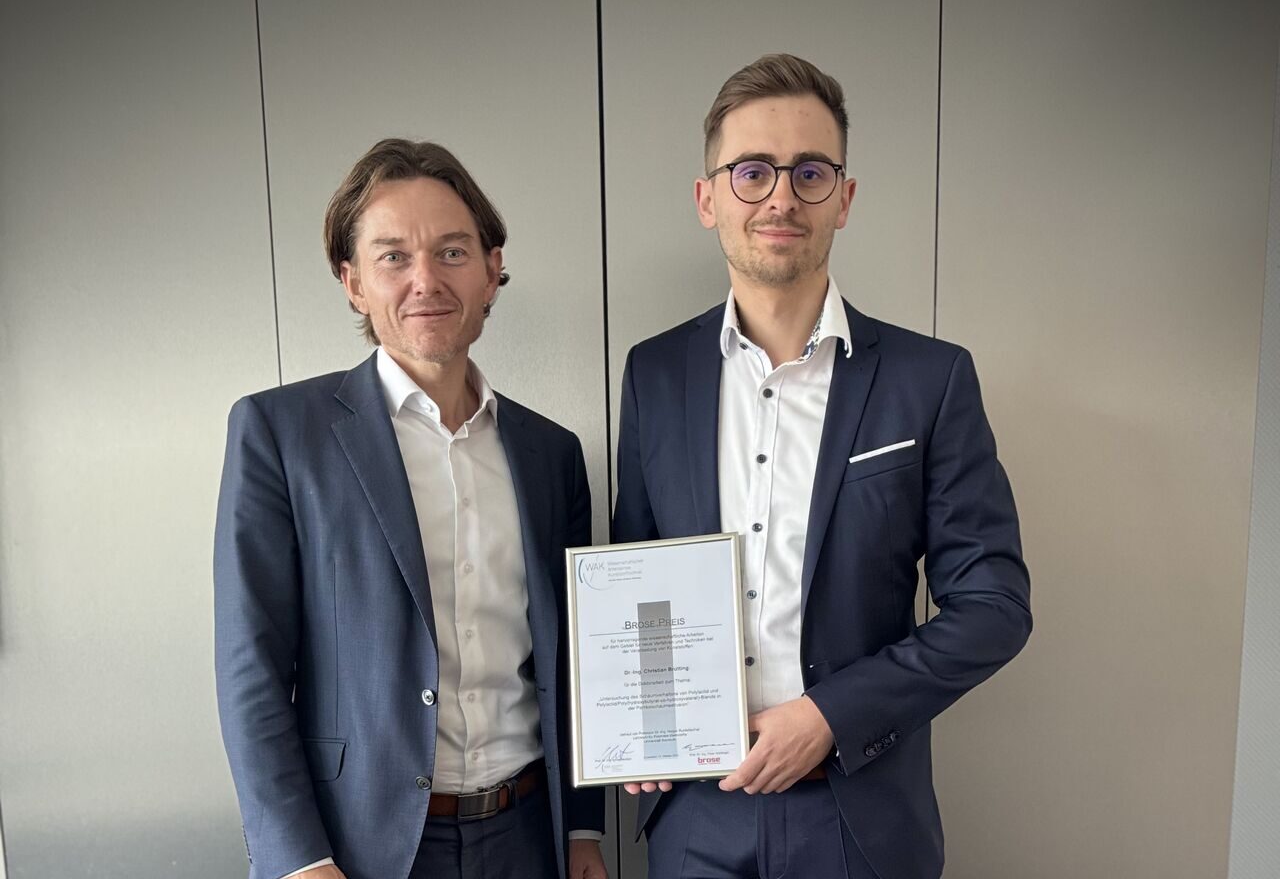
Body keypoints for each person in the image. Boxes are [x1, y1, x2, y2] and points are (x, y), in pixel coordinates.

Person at [612, 55, 1032, 879]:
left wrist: (830, 716)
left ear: (843, 198)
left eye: (810, 173)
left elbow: (994, 607)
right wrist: (641, 719)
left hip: (858, 814)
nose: (780, 198)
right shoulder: (653, 374)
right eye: (752, 172)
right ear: (707, 199)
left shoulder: (929, 379)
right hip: (694, 814)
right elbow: (638, 577)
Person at [214, 139, 607, 879]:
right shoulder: (281, 434)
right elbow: (251, 669)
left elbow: (576, 660)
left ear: (490, 270)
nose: (426, 280)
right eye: (393, 256)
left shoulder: (551, 454)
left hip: (529, 837)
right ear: (353, 282)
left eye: (452, 252)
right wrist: (298, 860)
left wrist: (583, 829)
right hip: (359, 847)